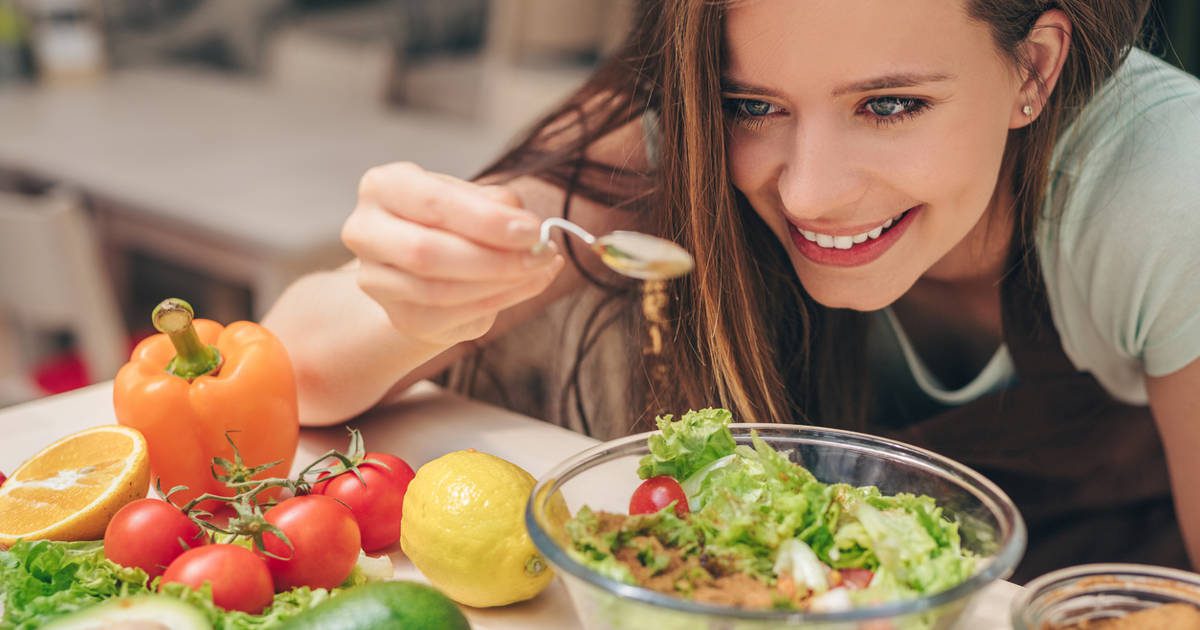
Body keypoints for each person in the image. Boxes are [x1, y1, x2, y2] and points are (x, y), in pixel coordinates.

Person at [263, 0, 1200, 581]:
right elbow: (295, 373)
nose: (808, 191)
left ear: (1033, 69)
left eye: (890, 104)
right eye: (754, 105)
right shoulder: (680, 132)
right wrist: (414, 292)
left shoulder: (1164, 190)